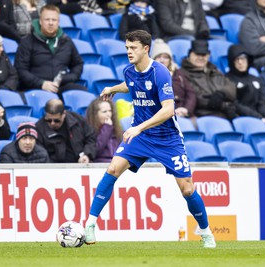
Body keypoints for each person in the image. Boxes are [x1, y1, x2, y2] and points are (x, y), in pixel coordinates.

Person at [83, 30, 216, 248]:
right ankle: (90, 223)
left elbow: (168, 109)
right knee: (113, 169)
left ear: (146, 48)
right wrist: (113, 89)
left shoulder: (160, 73)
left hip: (167, 138)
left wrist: (138, 127)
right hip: (142, 136)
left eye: (133, 48)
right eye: (126, 48)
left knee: (187, 189)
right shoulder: (129, 71)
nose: (128, 52)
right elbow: (131, 85)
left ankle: (205, 231)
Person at [14, 4, 87, 96]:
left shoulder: (66, 41)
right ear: (40, 21)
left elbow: (78, 64)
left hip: (61, 86)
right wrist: (41, 83)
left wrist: (68, 78)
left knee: (83, 94)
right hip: (36, 88)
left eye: (54, 20)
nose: (51, 23)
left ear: (58, 22)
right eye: (47, 19)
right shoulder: (27, 42)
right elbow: (20, 70)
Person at [180, 39, 238, 120]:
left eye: (203, 54)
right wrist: (223, 106)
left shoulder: (215, 70)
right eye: (197, 54)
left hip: (226, 113)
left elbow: (231, 87)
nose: (200, 57)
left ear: (208, 55)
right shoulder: (183, 73)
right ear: (190, 54)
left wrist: (222, 93)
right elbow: (197, 97)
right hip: (205, 116)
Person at [35, 99, 96, 163]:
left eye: (57, 121)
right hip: (54, 167)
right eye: (49, 120)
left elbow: (91, 138)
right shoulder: (39, 128)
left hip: (80, 163)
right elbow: (40, 153)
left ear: (64, 114)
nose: (52, 123)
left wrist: (87, 155)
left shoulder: (78, 121)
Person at [226, 44, 265, 127]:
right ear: (231, 62)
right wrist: (258, 118)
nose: (240, 62)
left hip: (260, 119)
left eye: (243, 59)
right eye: (237, 59)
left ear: (248, 60)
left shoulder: (256, 79)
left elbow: (262, 101)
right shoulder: (227, 79)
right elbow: (235, 104)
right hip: (240, 120)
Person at [151, 39, 196, 118]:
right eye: (158, 57)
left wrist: (186, 109)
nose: (162, 60)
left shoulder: (178, 73)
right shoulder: (148, 75)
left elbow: (191, 94)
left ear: (170, 60)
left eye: (165, 57)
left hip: (182, 113)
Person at [86, 98, 122, 163]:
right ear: (95, 114)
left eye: (110, 111)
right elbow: (96, 150)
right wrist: (107, 128)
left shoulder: (116, 130)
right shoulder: (89, 131)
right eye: (104, 112)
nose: (108, 114)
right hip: (100, 165)